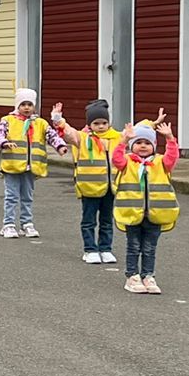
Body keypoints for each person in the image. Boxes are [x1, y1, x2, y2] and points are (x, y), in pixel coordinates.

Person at [111, 117, 179, 295]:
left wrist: (170, 139)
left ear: (154, 145)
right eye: (138, 142)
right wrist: (123, 141)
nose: (143, 146)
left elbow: (172, 158)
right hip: (132, 214)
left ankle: (148, 275)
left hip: (155, 214)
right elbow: (116, 159)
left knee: (150, 248)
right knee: (133, 247)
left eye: (147, 143)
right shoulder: (127, 162)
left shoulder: (160, 162)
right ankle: (132, 276)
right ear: (132, 145)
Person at [50, 100, 121, 265]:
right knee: (89, 220)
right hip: (89, 188)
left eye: (104, 123)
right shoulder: (82, 138)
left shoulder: (116, 138)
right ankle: (90, 249)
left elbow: (136, 132)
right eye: (97, 123)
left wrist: (152, 124)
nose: (101, 126)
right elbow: (68, 132)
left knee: (107, 220)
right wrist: (58, 119)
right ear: (90, 124)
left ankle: (105, 249)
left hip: (110, 188)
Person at [0, 88, 66, 238]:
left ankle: (27, 223)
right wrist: (4, 142)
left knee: (27, 196)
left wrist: (60, 146)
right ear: (17, 105)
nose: (27, 107)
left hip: (31, 167)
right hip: (12, 165)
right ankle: (8, 224)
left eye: (30, 104)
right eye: (23, 104)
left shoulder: (40, 123)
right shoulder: (8, 120)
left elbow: (52, 135)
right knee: (11, 196)